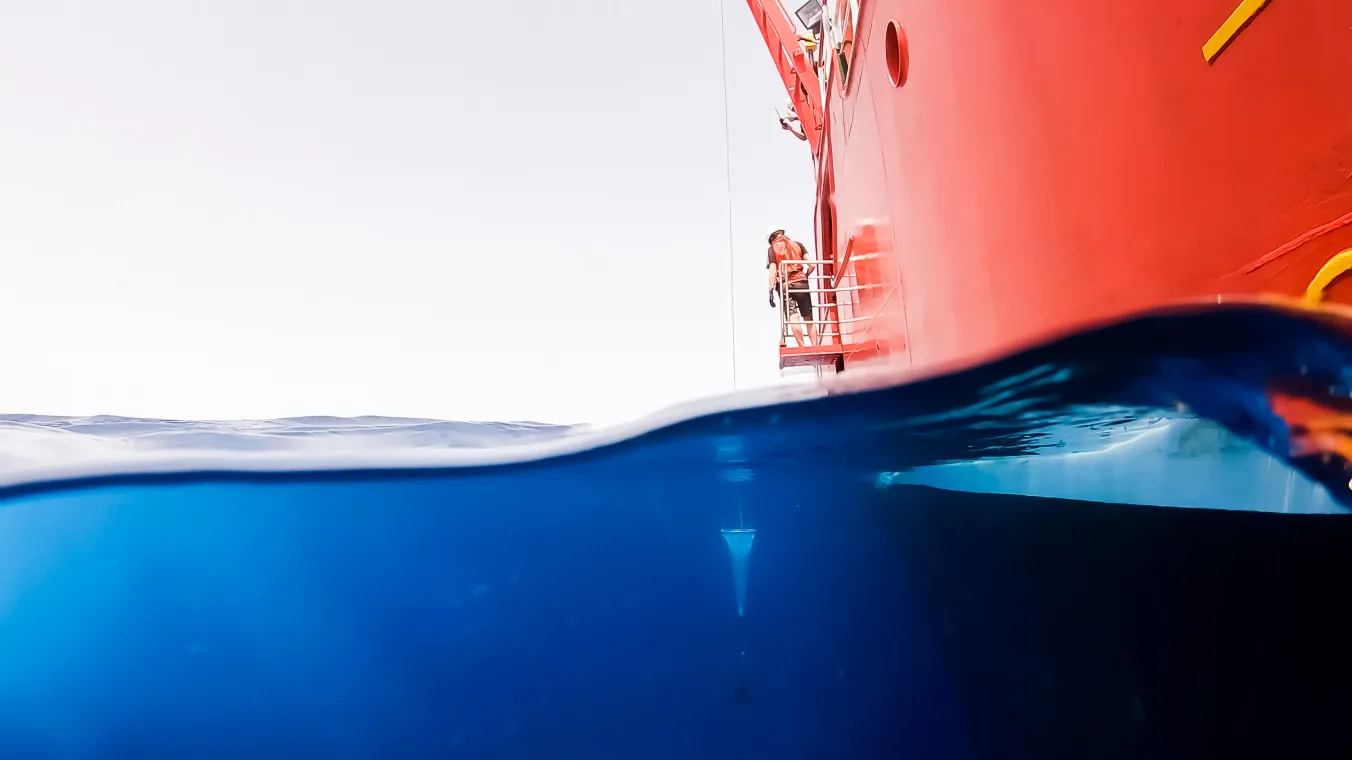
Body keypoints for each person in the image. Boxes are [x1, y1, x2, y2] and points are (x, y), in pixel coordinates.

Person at [766, 225, 817, 347]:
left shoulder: (772, 249)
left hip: (785, 286)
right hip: (801, 282)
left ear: (771, 238)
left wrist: (770, 289)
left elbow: (773, 271)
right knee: (808, 317)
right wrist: (805, 275)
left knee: (794, 317)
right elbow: (812, 264)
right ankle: (815, 345)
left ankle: (802, 347)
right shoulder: (797, 244)